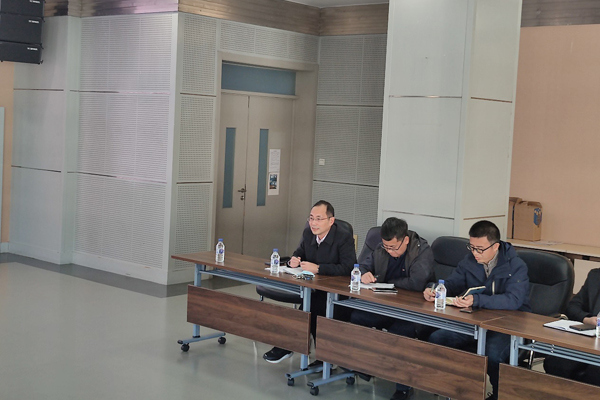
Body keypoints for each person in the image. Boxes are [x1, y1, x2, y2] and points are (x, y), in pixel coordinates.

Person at [423, 220, 530, 400]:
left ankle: (499, 395)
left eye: (480, 249)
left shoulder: (515, 266)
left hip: (508, 325)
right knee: (439, 338)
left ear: (495, 247)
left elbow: (513, 300)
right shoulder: (469, 261)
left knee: (493, 354)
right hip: (476, 320)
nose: (475, 253)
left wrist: (477, 299)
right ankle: (455, 388)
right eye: (471, 247)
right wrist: (435, 289)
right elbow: (452, 283)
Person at [263, 200, 357, 364]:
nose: (313, 223)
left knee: (310, 309)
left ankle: (312, 353)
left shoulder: (343, 238)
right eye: (311, 218)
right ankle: (292, 347)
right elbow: (299, 253)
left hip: (336, 293)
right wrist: (293, 261)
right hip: (313, 288)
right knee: (307, 308)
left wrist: (319, 268)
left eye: (319, 219)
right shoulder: (308, 233)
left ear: (331, 220)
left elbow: (348, 267)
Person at [351, 217, 434, 400]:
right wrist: (364, 274)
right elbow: (362, 265)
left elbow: (417, 283)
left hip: (413, 311)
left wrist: (388, 282)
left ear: (406, 240)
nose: (389, 251)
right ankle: (364, 365)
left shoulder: (421, 250)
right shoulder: (382, 247)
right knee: (357, 317)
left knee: (401, 332)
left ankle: (403, 387)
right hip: (386, 305)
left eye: (393, 248)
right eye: (386, 246)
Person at [543, 268, 600, 386]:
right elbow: (572, 306)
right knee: (556, 363)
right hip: (589, 340)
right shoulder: (595, 276)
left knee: (594, 372)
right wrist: (587, 319)